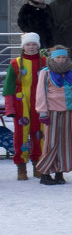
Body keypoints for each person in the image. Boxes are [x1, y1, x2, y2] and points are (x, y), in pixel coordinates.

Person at [2, 33, 47, 180]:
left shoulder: (45, 62)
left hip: (40, 104)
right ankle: (21, 166)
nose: (31, 47)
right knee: (21, 136)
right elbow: (8, 88)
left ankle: (38, 164)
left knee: (39, 134)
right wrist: (10, 109)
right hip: (21, 105)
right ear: (23, 47)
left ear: (38, 46)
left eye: (34, 44)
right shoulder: (15, 63)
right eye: (28, 44)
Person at [33, 46, 72, 185]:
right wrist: (42, 112)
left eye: (63, 57)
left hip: (67, 110)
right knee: (51, 143)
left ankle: (60, 172)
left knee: (66, 143)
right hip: (51, 111)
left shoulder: (71, 73)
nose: (61, 60)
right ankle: (44, 173)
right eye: (58, 57)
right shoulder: (45, 73)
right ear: (52, 58)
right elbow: (41, 93)